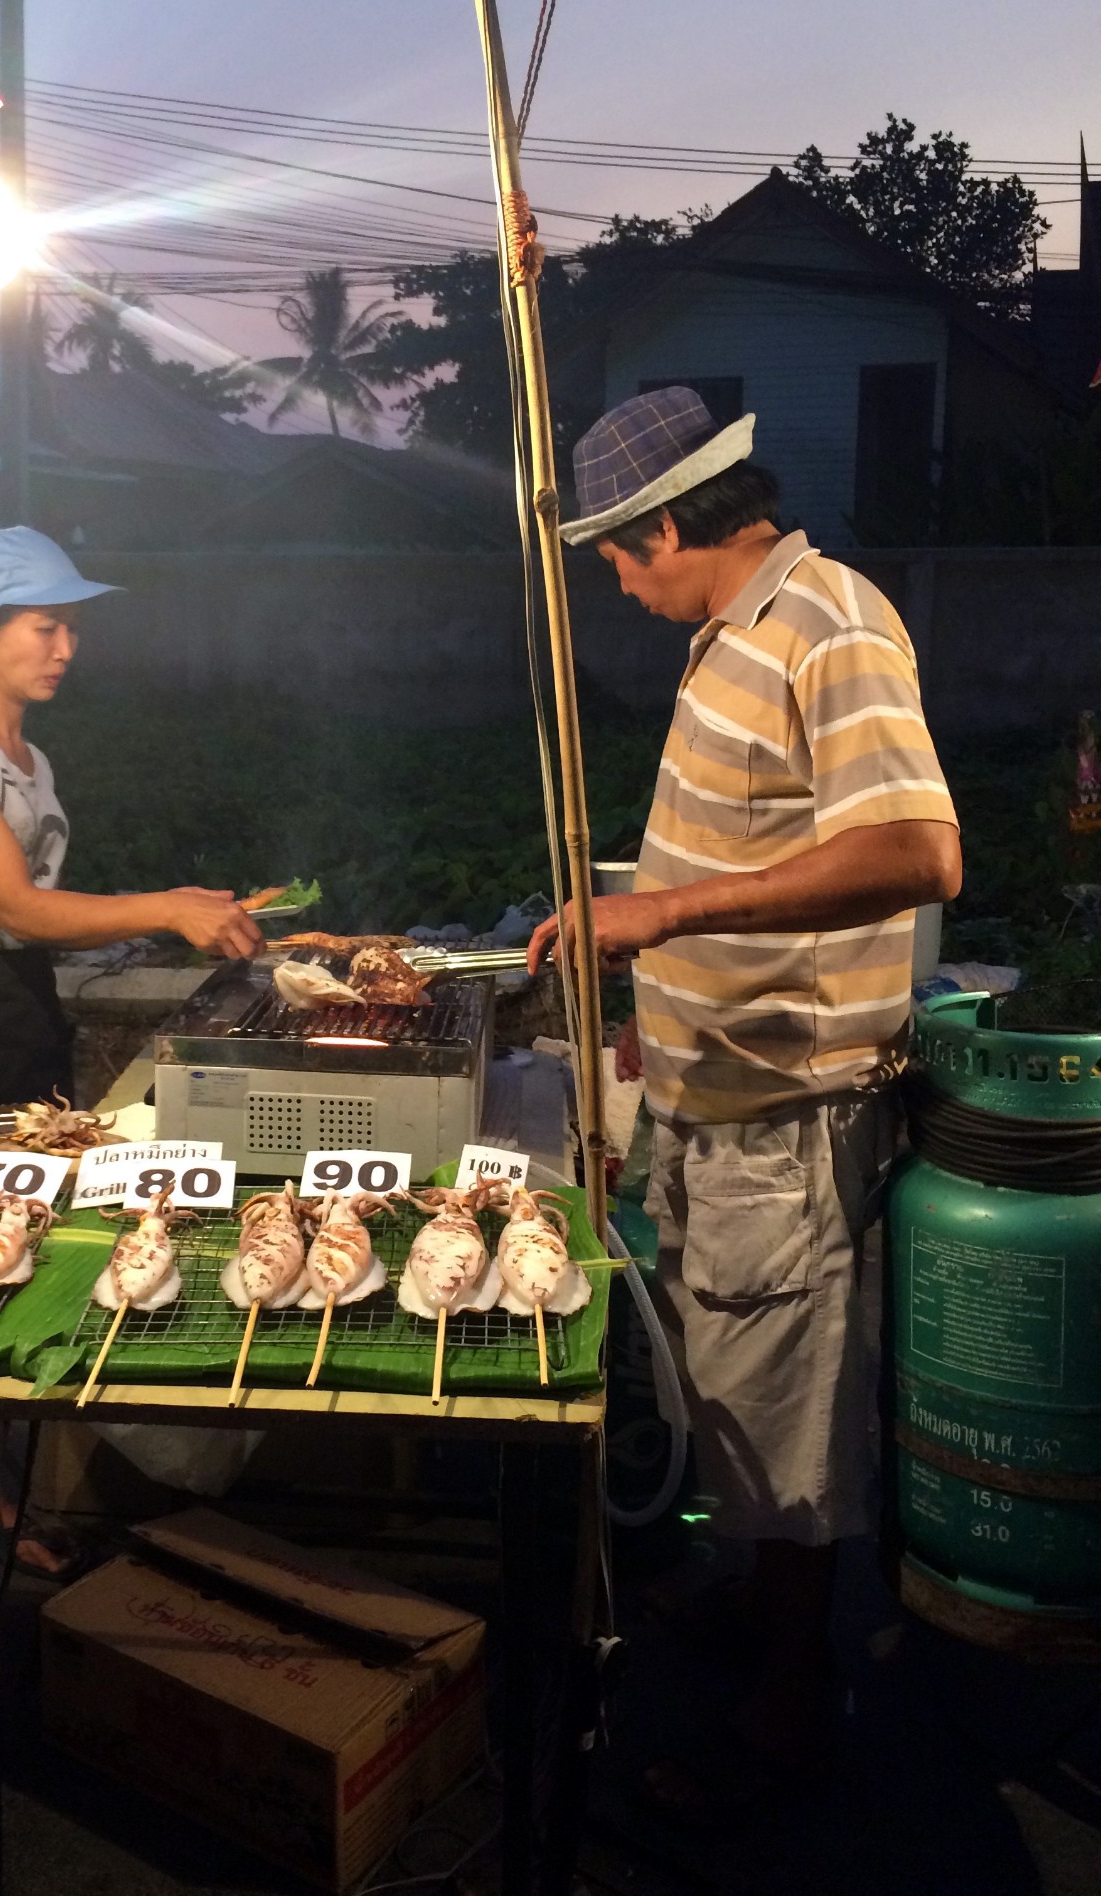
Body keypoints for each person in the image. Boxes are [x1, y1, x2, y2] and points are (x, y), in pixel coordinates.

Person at [527, 388, 960, 1815]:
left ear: (665, 524)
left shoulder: (829, 623)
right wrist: (659, 991)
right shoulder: (733, 637)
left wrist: (670, 919)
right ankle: (751, 1598)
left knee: (787, 1399)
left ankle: (789, 1706)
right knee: (723, 1379)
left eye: (614, 552)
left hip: (794, 1106)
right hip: (717, 1090)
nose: (611, 575)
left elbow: (915, 851)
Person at [0, 525, 264, 1699]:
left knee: (3, 1287)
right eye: (46, 624)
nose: (67, 645)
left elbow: (43, 917)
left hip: (14, 1032)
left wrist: (175, 914)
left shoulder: (25, 755)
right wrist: (170, 906)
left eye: (75, 624)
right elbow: (17, 905)